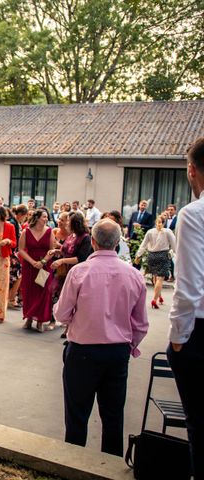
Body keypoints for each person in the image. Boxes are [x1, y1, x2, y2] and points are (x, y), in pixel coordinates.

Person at [54, 218, 148, 457]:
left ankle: (74, 466)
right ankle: (110, 469)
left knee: (76, 415)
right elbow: (141, 324)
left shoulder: (79, 272)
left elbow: (62, 313)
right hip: (117, 352)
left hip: (82, 350)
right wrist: (129, 346)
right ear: (117, 243)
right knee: (113, 417)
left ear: (93, 242)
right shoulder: (134, 275)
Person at [168, 137, 204, 479]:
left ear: (192, 170)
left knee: (199, 424)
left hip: (200, 332)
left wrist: (178, 338)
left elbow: (189, 285)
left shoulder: (194, 214)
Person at [48, 211, 93, 336]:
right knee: (56, 294)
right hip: (63, 271)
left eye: (69, 221)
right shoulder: (71, 235)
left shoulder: (85, 238)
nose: (66, 223)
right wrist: (56, 251)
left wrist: (62, 260)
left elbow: (81, 258)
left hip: (76, 272)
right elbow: (65, 250)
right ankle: (57, 320)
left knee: (73, 300)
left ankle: (69, 328)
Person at [18, 208, 56, 332]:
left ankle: (40, 320)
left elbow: (52, 250)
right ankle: (29, 318)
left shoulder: (49, 231)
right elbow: (21, 250)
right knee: (29, 292)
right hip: (30, 266)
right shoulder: (26, 231)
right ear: (37, 218)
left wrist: (43, 261)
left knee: (43, 293)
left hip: (44, 266)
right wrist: (32, 262)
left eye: (47, 217)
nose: (46, 219)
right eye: (44, 217)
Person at [134, 215, 176, 309]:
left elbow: (143, 245)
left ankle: (159, 297)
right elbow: (174, 245)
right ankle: (154, 300)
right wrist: (175, 253)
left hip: (151, 256)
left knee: (155, 277)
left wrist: (138, 255)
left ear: (155, 222)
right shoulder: (167, 232)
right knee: (160, 279)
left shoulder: (150, 232)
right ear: (164, 223)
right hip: (162, 255)